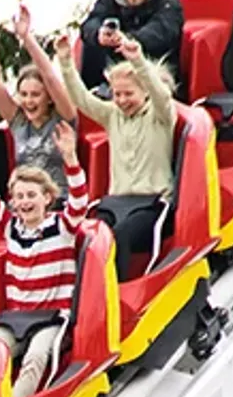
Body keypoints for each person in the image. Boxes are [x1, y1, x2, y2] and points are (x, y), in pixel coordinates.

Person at [0, 115, 90, 397]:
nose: (24, 202)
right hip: (17, 318)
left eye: (31, 195)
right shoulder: (12, 227)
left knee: (35, 358)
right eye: (19, 196)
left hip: (50, 318)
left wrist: (70, 158)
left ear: (47, 198)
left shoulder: (62, 225)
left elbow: (80, 199)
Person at [61, 36, 178, 282]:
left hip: (152, 203)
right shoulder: (113, 115)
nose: (122, 100)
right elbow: (82, 100)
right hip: (117, 202)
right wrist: (65, 63)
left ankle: (118, 291)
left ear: (144, 92)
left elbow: (161, 95)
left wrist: (137, 61)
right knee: (90, 235)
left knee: (120, 235)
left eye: (128, 94)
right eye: (117, 94)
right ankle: (84, 294)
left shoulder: (160, 116)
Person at [0, 4, 79, 198]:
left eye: (35, 95)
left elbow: (50, 77)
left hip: (58, 201)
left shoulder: (63, 119)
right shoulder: (19, 123)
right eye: (23, 94)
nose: (28, 101)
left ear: (49, 98)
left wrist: (26, 38)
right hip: (24, 202)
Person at [77, 0, 186, 89]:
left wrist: (125, 40)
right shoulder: (107, 2)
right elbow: (89, 25)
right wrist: (99, 34)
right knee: (91, 46)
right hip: (112, 78)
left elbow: (160, 34)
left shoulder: (169, 5)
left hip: (157, 81)